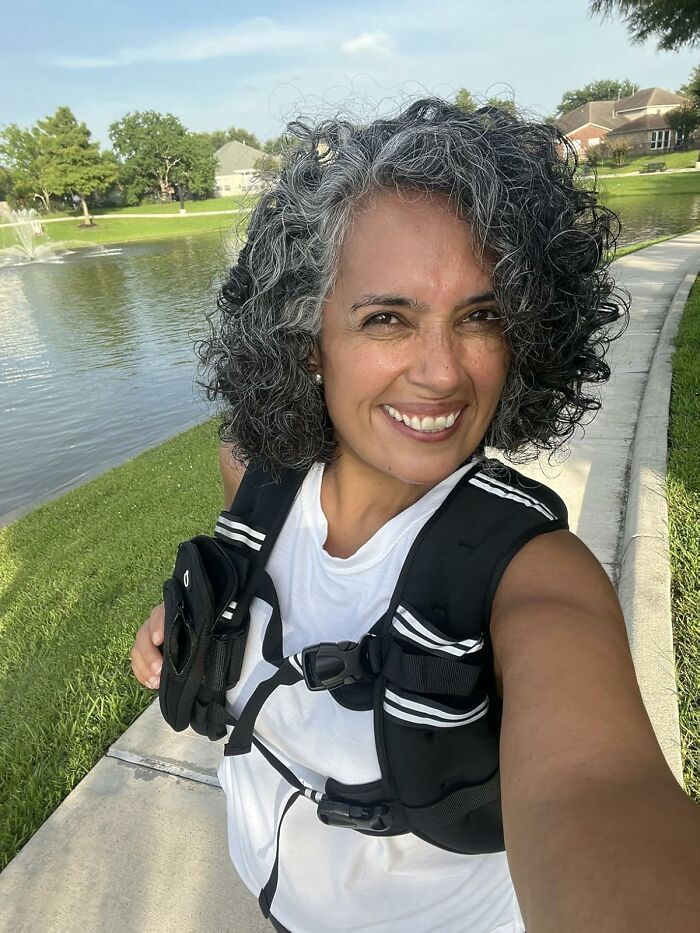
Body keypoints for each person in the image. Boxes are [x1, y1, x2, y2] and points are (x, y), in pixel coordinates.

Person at [130, 98, 700, 932]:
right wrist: (183, 624)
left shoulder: (535, 573)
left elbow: (601, 795)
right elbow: (264, 586)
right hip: (275, 895)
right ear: (308, 336)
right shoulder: (253, 473)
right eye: (387, 318)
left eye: (480, 316)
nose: (442, 372)